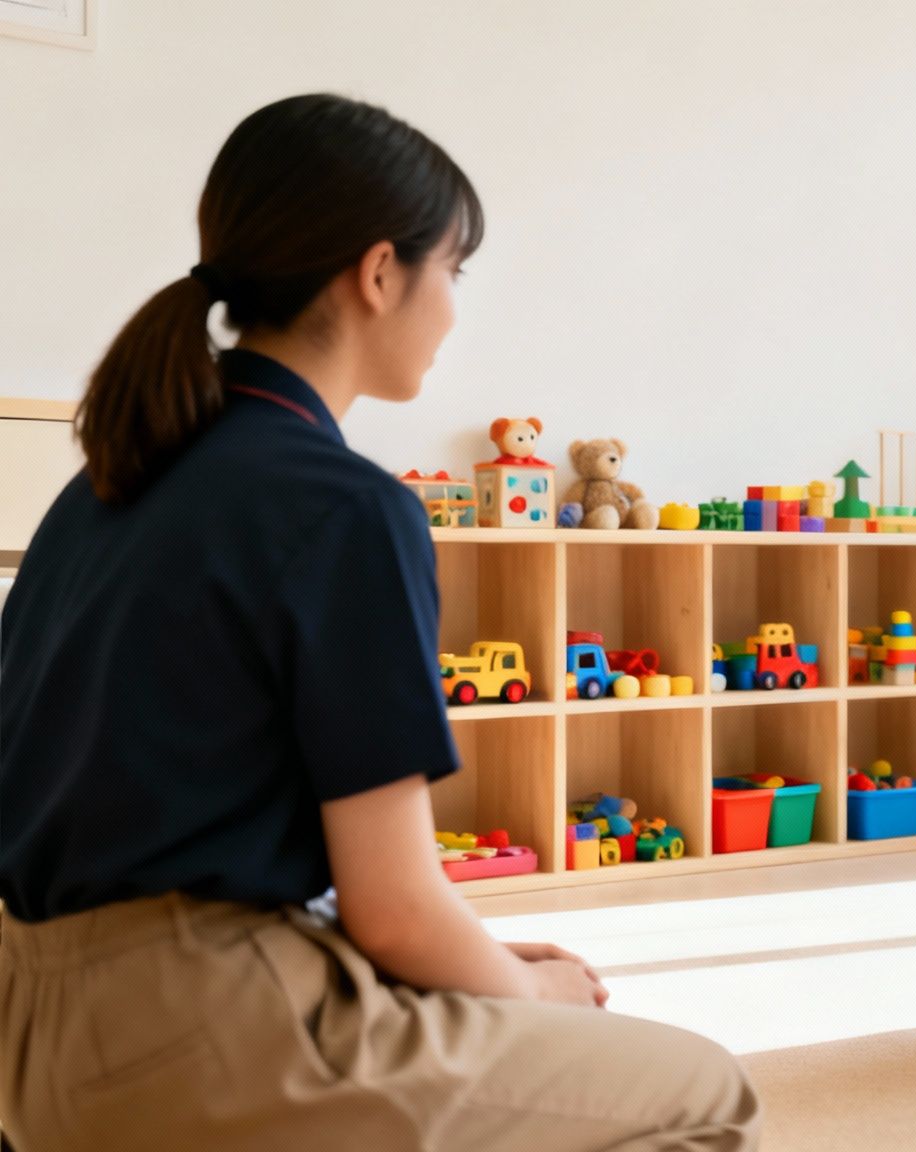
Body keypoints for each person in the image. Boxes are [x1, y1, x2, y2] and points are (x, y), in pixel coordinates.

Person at [0, 93, 758, 1150]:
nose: (452, 309)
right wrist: (524, 998)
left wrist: (490, 972)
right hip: (199, 1035)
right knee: (701, 1092)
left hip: (34, 1041)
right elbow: (396, 908)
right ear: (378, 273)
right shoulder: (343, 504)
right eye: (453, 270)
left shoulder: (104, 486)